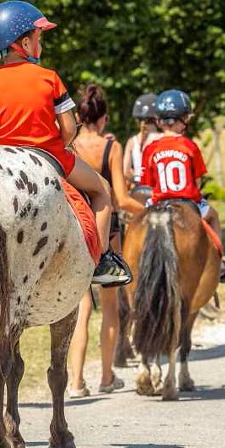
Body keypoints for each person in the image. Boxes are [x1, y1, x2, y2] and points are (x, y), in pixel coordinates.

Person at [0, 0, 131, 287]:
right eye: (38, 37)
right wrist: (62, 140)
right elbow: (69, 129)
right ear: (23, 42)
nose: (40, 43)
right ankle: (101, 259)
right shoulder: (49, 79)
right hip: (50, 157)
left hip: (4, 165)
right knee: (102, 189)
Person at [67, 85, 146, 398]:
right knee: (110, 307)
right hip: (105, 233)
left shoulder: (69, 145)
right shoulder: (111, 146)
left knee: (80, 307)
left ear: (80, 115)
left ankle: (75, 382)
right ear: (105, 118)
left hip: (74, 228)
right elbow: (121, 199)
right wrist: (149, 211)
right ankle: (106, 375)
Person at [140, 89, 225, 284]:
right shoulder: (190, 146)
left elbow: (148, 184)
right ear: (183, 119)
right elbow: (197, 182)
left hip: (158, 203)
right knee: (214, 216)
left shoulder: (149, 149)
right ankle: (221, 259)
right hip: (186, 201)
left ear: (159, 121)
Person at [122, 93, 162, 187]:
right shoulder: (163, 138)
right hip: (158, 188)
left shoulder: (132, 141)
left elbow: (125, 172)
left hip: (139, 189)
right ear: (157, 119)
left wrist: (137, 181)